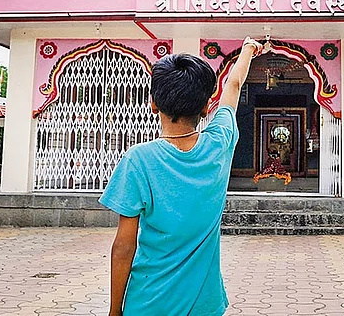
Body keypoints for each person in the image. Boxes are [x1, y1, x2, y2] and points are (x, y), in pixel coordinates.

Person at [100, 37, 264, 316]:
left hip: (148, 303)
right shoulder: (219, 145)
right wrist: (250, 48)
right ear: (204, 108)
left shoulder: (138, 161)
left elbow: (123, 247)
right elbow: (233, 87)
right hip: (205, 304)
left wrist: (115, 311)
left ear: (153, 104)